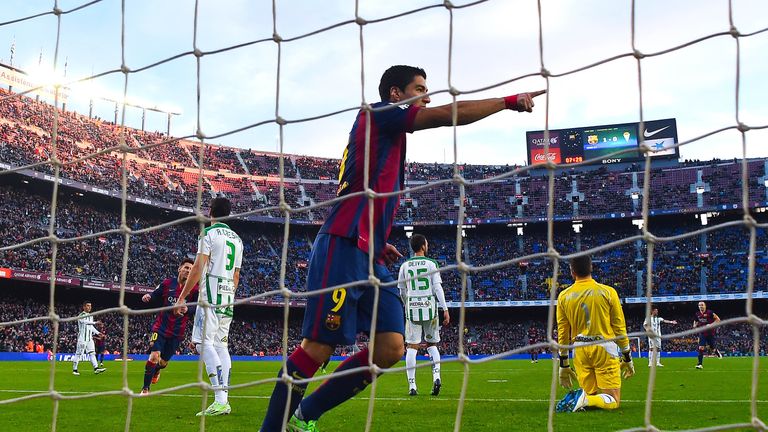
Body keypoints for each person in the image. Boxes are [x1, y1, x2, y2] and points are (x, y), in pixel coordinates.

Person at [259, 64, 544, 432]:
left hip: (368, 254)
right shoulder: (378, 113)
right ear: (396, 93)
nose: (426, 96)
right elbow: (445, 116)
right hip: (343, 245)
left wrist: (379, 244)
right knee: (317, 348)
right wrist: (507, 102)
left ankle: (304, 415)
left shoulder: (387, 134)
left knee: (392, 348)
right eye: (420, 88)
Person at [175, 197, 243, 417]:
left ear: (210, 211)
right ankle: (224, 399)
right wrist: (229, 295)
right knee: (220, 345)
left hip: (211, 296)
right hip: (228, 297)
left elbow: (197, 267)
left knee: (202, 343)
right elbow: (236, 275)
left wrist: (182, 297)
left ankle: (220, 399)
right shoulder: (238, 240)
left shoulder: (209, 234)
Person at [555, 255, 634, 412]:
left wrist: (563, 364)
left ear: (572, 272)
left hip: (580, 350)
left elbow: (563, 333)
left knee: (590, 396)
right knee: (613, 400)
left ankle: (585, 399)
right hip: (604, 348)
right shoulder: (608, 292)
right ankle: (585, 399)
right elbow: (619, 327)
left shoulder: (563, 296)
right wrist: (627, 357)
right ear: (591, 268)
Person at [397, 233, 449, 396]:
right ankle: (436, 377)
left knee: (412, 347)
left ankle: (412, 386)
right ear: (423, 246)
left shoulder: (405, 266)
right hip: (430, 307)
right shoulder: (431, 264)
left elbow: (402, 290)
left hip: (412, 308)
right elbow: (437, 288)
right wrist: (445, 309)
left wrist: (407, 304)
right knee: (432, 344)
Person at [139, 257, 198, 394]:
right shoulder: (167, 283)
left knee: (163, 362)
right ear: (180, 269)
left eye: (191, 269)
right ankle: (145, 389)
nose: (188, 271)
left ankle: (157, 370)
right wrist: (148, 297)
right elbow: (155, 295)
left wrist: (188, 310)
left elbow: (197, 307)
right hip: (161, 327)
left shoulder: (195, 289)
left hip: (177, 332)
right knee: (154, 356)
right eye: (186, 268)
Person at [72, 301, 106, 376]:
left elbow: (91, 327)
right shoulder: (81, 315)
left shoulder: (91, 316)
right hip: (82, 338)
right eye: (87, 306)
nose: (89, 307)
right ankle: (74, 369)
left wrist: (98, 333)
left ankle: (96, 368)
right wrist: (95, 322)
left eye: (90, 306)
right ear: (84, 307)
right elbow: (85, 322)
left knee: (92, 353)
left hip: (89, 338)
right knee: (79, 354)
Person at [693, 301, 722, 369]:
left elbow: (718, 319)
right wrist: (694, 325)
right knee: (701, 347)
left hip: (710, 333)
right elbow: (695, 320)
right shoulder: (697, 314)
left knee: (712, 348)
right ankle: (700, 364)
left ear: (705, 306)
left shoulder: (710, 312)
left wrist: (711, 325)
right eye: (699, 305)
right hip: (702, 333)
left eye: (702, 305)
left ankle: (716, 351)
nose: (701, 306)